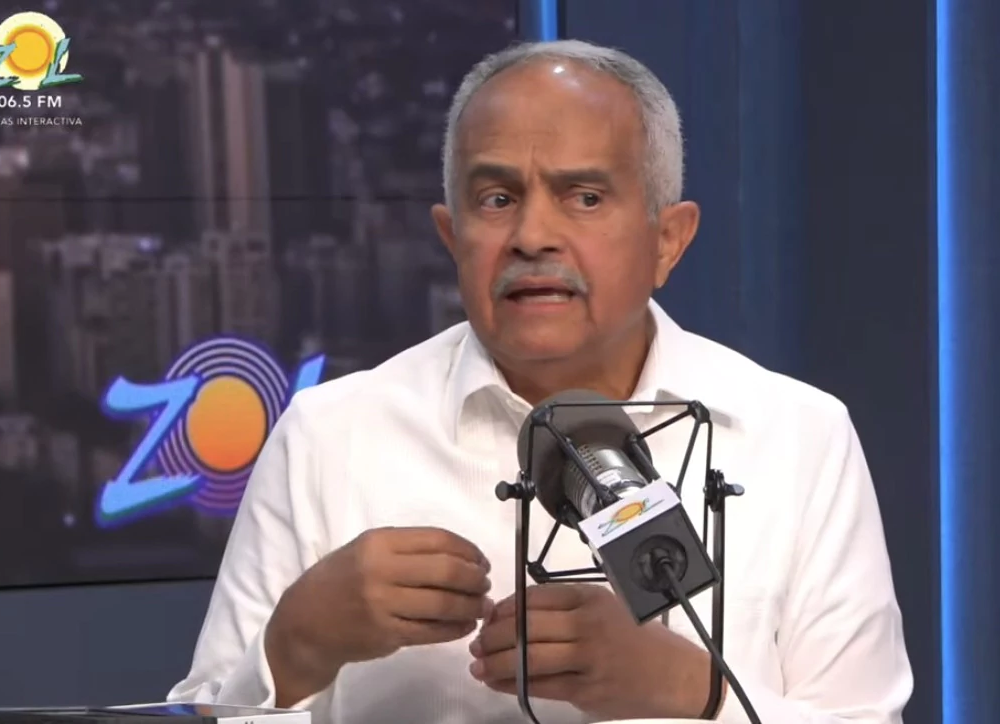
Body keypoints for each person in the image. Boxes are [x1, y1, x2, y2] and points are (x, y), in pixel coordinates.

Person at [167, 39, 913, 723]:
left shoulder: (797, 435)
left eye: (584, 197)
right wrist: (297, 646)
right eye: (497, 200)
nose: (532, 236)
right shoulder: (328, 437)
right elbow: (203, 709)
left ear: (668, 239)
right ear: (452, 236)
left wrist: (695, 691)